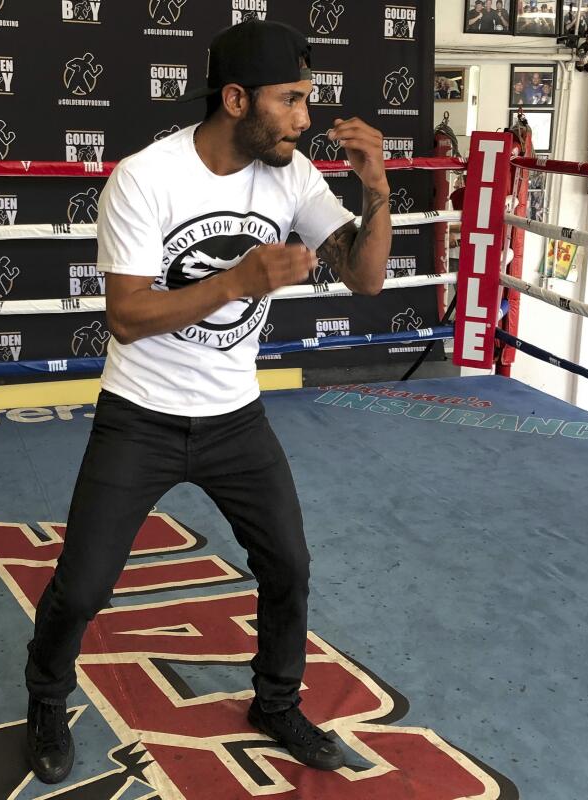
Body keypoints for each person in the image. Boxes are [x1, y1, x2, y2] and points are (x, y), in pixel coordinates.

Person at [22, 18, 391, 785]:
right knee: (84, 585)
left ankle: (277, 702)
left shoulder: (290, 173)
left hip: (236, 418)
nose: (305, 118)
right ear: (235, 99)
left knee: (287, 563)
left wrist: (378, 188)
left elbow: (364, 278)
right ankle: (47, 697)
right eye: (291, 100)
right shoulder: (146, 178)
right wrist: (236, 282)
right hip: (141, 416)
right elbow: (125, 313)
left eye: (307, 99)